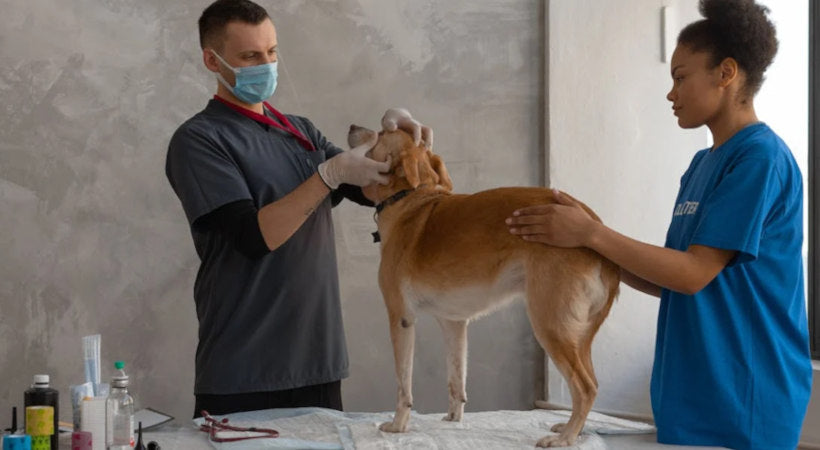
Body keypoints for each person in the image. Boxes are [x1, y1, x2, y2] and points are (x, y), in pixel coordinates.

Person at [506, 0, 812, 449]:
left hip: (747, 400)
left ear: (726, 73)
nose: (671, 93)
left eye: (681, 77)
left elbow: (692, 275)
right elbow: (671, 278)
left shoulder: (759, 158)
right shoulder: (701, 165)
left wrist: (592, 233)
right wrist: (586, 239)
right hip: (690, 398)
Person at [165, 0, 431, 418]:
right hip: (243, 371)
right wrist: (326, 176)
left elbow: (373, 189)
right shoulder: (200, 140)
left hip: (317, 364)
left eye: (271, 52)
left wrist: (397, 140)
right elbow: (253, 238)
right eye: (250, 56)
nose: (265, 64)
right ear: (211, 61)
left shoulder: (299, 131)